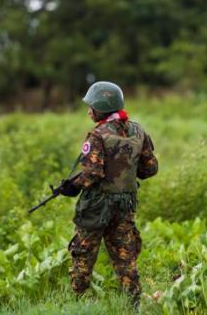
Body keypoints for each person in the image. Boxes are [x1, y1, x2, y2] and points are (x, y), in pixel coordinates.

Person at [57, 81, 158, 307]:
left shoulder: (97, 135)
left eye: (91, 106)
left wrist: (72, 187)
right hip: (125, 204)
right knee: (125, 257)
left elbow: (92, 173)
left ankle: (76, 302)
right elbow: (150, 169)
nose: (88, 110)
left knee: (83, 253)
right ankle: (134, 305)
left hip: (96, 205)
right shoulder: (138, 131)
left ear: (101, 108)